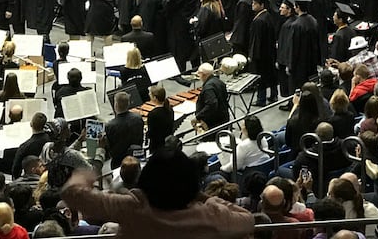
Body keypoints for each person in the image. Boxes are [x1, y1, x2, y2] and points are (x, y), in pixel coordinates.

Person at [60, 149, 254, 238]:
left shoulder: (132, 206)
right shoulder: (211, 215)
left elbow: (71, 193)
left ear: (147, 180)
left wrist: (88, 173)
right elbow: (247, 219)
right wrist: (207, 198)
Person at [162, 0, 201, 71]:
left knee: (179, 49)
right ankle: (195, 68)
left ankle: (181, 71)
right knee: (193, 46)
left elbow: (166, 2)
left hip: (178, 23)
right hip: (191, 18)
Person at [249, 0, 277, 106]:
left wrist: (252, 55)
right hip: (269, 53)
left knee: (261, 78)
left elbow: (257, 41)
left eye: (255, 3)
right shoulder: (268, 16)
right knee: (271, 75)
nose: (252, 5)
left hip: (261, 54)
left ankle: (261, 99)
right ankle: (274, 95)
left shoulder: (259, 21)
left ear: (261, 5)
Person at [105, 92, 144, 168]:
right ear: (128, 103)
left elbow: (109, 148)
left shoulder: (110, 125)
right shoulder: (138, 118)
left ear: (115, 105)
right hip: (136, 157)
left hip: (119, 162)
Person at [192, 63, 229, 132]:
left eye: (199, 73)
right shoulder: (219, 81)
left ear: (204, 74)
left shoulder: (208, 88)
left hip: (213, 123)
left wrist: (199, 117)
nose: (198, 75)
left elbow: (212, 104)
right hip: (223, 118)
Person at [11, 112, 49, 179]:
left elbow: (15, 169)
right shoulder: (50, 139)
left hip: (31, 177)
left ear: (31, 124)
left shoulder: (25, 146)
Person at [146, 85, 174, 155]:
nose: (148, 94)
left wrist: (146, 132)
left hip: (157, 146)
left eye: (150, 93)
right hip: (168, 141)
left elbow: (152, 133)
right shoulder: (170, 109)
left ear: (155, 98)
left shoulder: (153, 114)